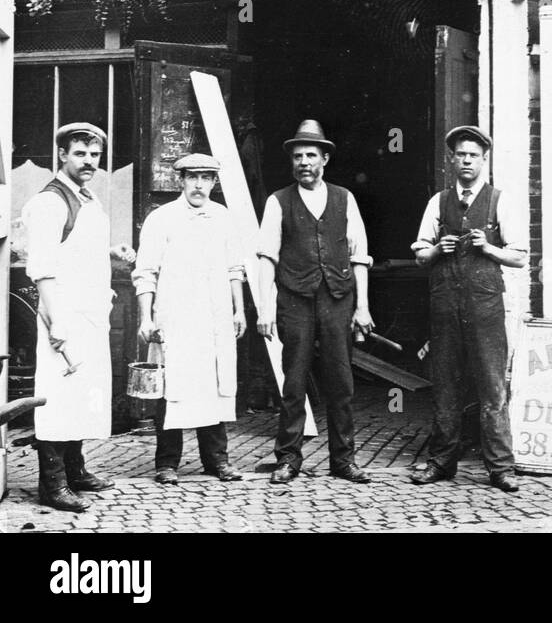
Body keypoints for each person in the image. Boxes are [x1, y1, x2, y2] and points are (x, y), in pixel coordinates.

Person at [22, 122, 136, 511]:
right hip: (64, 313)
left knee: (81, 395)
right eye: (81, 154)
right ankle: (52, 484)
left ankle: (76, 469)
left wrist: (109, 251)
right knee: (57, 397)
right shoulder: (49, 203)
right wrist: (56, 321)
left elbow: (76, 249)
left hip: (89, 313)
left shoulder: (86, 198)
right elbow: (42, 268)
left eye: (95, 155)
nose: (89, 161)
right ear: (62, 155)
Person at [256, 119, 374, 485]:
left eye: (310, 155)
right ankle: (288, 459)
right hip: (295, 300)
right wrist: (264, 307)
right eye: (297, 156)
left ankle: (343, 460)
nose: (304, 161)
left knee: (341, 382)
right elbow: (266, 257)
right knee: (293, 382)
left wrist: (363, 306)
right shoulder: (278, 201)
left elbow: (360, 256)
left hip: (338, 299)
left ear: (325, 158)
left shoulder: (344, 198)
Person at [410, 125, 526, 493]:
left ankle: (500, 468)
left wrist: (489, 247)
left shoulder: (498, 201)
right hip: (445, 308)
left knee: (492, 387)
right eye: (460, 155)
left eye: (473, 155)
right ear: (452, 159)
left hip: (485, 309)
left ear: (483, 160)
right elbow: (419, 256)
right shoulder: (437, 202)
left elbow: (520, 257)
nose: (466, 161)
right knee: (445, 386)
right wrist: (436, 249)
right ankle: (441, 463)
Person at [133, 153, 246, 484]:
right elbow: (145, 272)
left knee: (215, 383)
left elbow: (234, 269)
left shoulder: (223, 217)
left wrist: (238, 309)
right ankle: (166, 463)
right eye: (192, 177)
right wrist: (145, 318)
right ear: (180, 180)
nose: (199, 184)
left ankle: (217, 460)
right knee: (174, 389)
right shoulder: (162, 219)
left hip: (215, 319)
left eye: (206, 178)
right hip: (176, 319)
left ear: (214, 182)